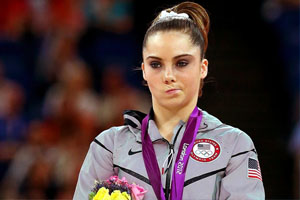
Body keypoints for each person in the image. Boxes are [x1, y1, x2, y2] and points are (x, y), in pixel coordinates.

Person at [73, 1, 265, 199]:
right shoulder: (109, 146)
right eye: (156, 64)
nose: (168, 75)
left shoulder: (234, 146)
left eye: (181, 63)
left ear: (202, 68)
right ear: (144, 71)